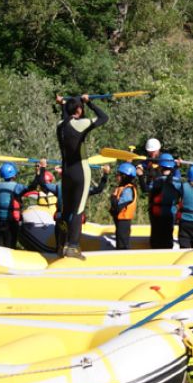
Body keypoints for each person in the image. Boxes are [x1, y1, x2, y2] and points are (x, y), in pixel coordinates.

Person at [55, 93, 108, 259]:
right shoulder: (81, 123)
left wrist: (63, 104)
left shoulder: (60, 125)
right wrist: (90, 102)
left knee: (66, 211)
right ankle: (73, 246)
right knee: (78, 209)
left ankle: (61, 244)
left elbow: (66, 117)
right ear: (79, 109)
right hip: (80, 170)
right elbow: (103, 118)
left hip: (66, 172)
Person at [37, 164, 109, 254]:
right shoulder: (82, 188)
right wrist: (105, 175)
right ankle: (67, 249)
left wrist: (42, 168)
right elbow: (98, 189)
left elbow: (42, 183)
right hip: (73, 220)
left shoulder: (59, 186)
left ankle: (60, 249)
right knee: (69, 240)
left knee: (62, 238)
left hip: (64, 219)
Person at [0, 159, 40, 248]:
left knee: (0, 246)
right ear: (14, 175)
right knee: (10, 246)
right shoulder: (17, 187)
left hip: (0, 221)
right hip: (12, 222)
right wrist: (38, 172)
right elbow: (33, 186)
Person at [139, 153, 179, 249]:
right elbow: (176, 176)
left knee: (156, 240)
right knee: (168, 239)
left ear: (160, 167)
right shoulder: (177, 181)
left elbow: (145, 189)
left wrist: (140, 176)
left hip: (157, 214)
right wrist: (177, 167)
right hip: (170, 213)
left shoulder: (157, 181)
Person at [109, 163, 138, 250]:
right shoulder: (122, 187)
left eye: (118, 174)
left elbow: (118, 206)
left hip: (124, 220)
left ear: (124, 176)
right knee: (120, 240)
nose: (116, 176)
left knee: (123, 243)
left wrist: (113, 197)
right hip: (120, 219)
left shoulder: (128, 190)